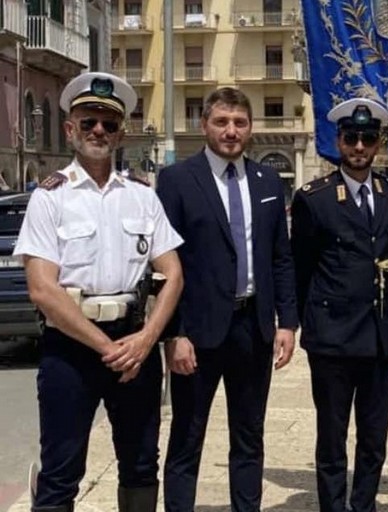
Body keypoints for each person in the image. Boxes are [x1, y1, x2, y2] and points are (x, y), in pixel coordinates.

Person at [13, 71, 184, 512]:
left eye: (109, 124)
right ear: (70, 129)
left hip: (134, 345)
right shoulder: (50, 198)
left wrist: (145, 341)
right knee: (62, 472)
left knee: (143, 466)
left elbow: (173, 274)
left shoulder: (143, 196)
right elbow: (42, 290)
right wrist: (108, 348)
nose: (98, 132)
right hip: (71, 348)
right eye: (88, 122)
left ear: (121, 133)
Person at [157, 87, 299, 512]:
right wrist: (173, 334)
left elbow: (281, 258)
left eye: (239, 122)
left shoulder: (269, 181)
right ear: (204, 126)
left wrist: (287, 323)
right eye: (221, 122)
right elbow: (165, 265)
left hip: (253, 329)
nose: (231, 131)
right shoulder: (178, 180)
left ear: (250, 127)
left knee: (249, 436)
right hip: (197, 334)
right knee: (187, 437)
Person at [290, 97, 388, 512]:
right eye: (352, 137)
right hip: (332, 337)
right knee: (332, 438)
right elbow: (301, 269)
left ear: (379, 143)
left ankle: (363, 504)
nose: (360, 146)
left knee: (373, 437)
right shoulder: (314, 198)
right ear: (339, 141)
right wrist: (294, 325)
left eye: (369, 138)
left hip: (380, 336)